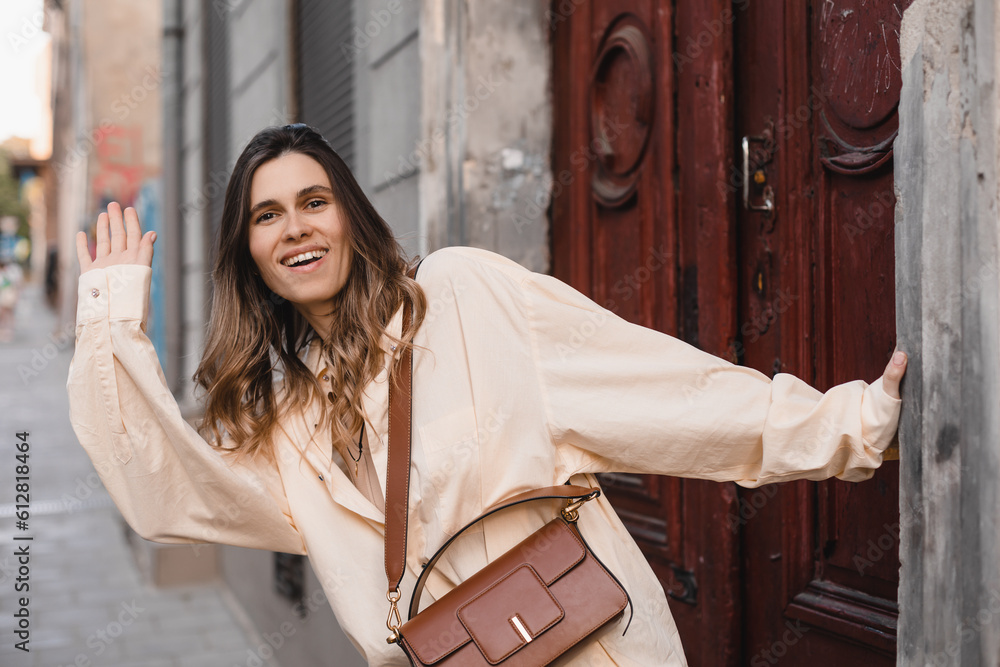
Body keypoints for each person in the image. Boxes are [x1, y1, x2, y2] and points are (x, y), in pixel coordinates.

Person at [68, 124, 907, 666]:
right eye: (268, 215)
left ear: (351, 218)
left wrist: (851, 426)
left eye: (315, 202)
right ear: (247, 252)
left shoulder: (466, 296)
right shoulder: (292, 425)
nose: (295, 228)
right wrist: (111, 323)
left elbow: (673, 393)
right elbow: (168, 494)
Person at [0, 256, 24, 342]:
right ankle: (5, 331)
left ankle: (8, 331)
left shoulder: (11, 272)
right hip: (5, 297)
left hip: (7, 296)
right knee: (6, 314)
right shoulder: (11, 272)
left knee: (8, 314)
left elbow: (17, 285)